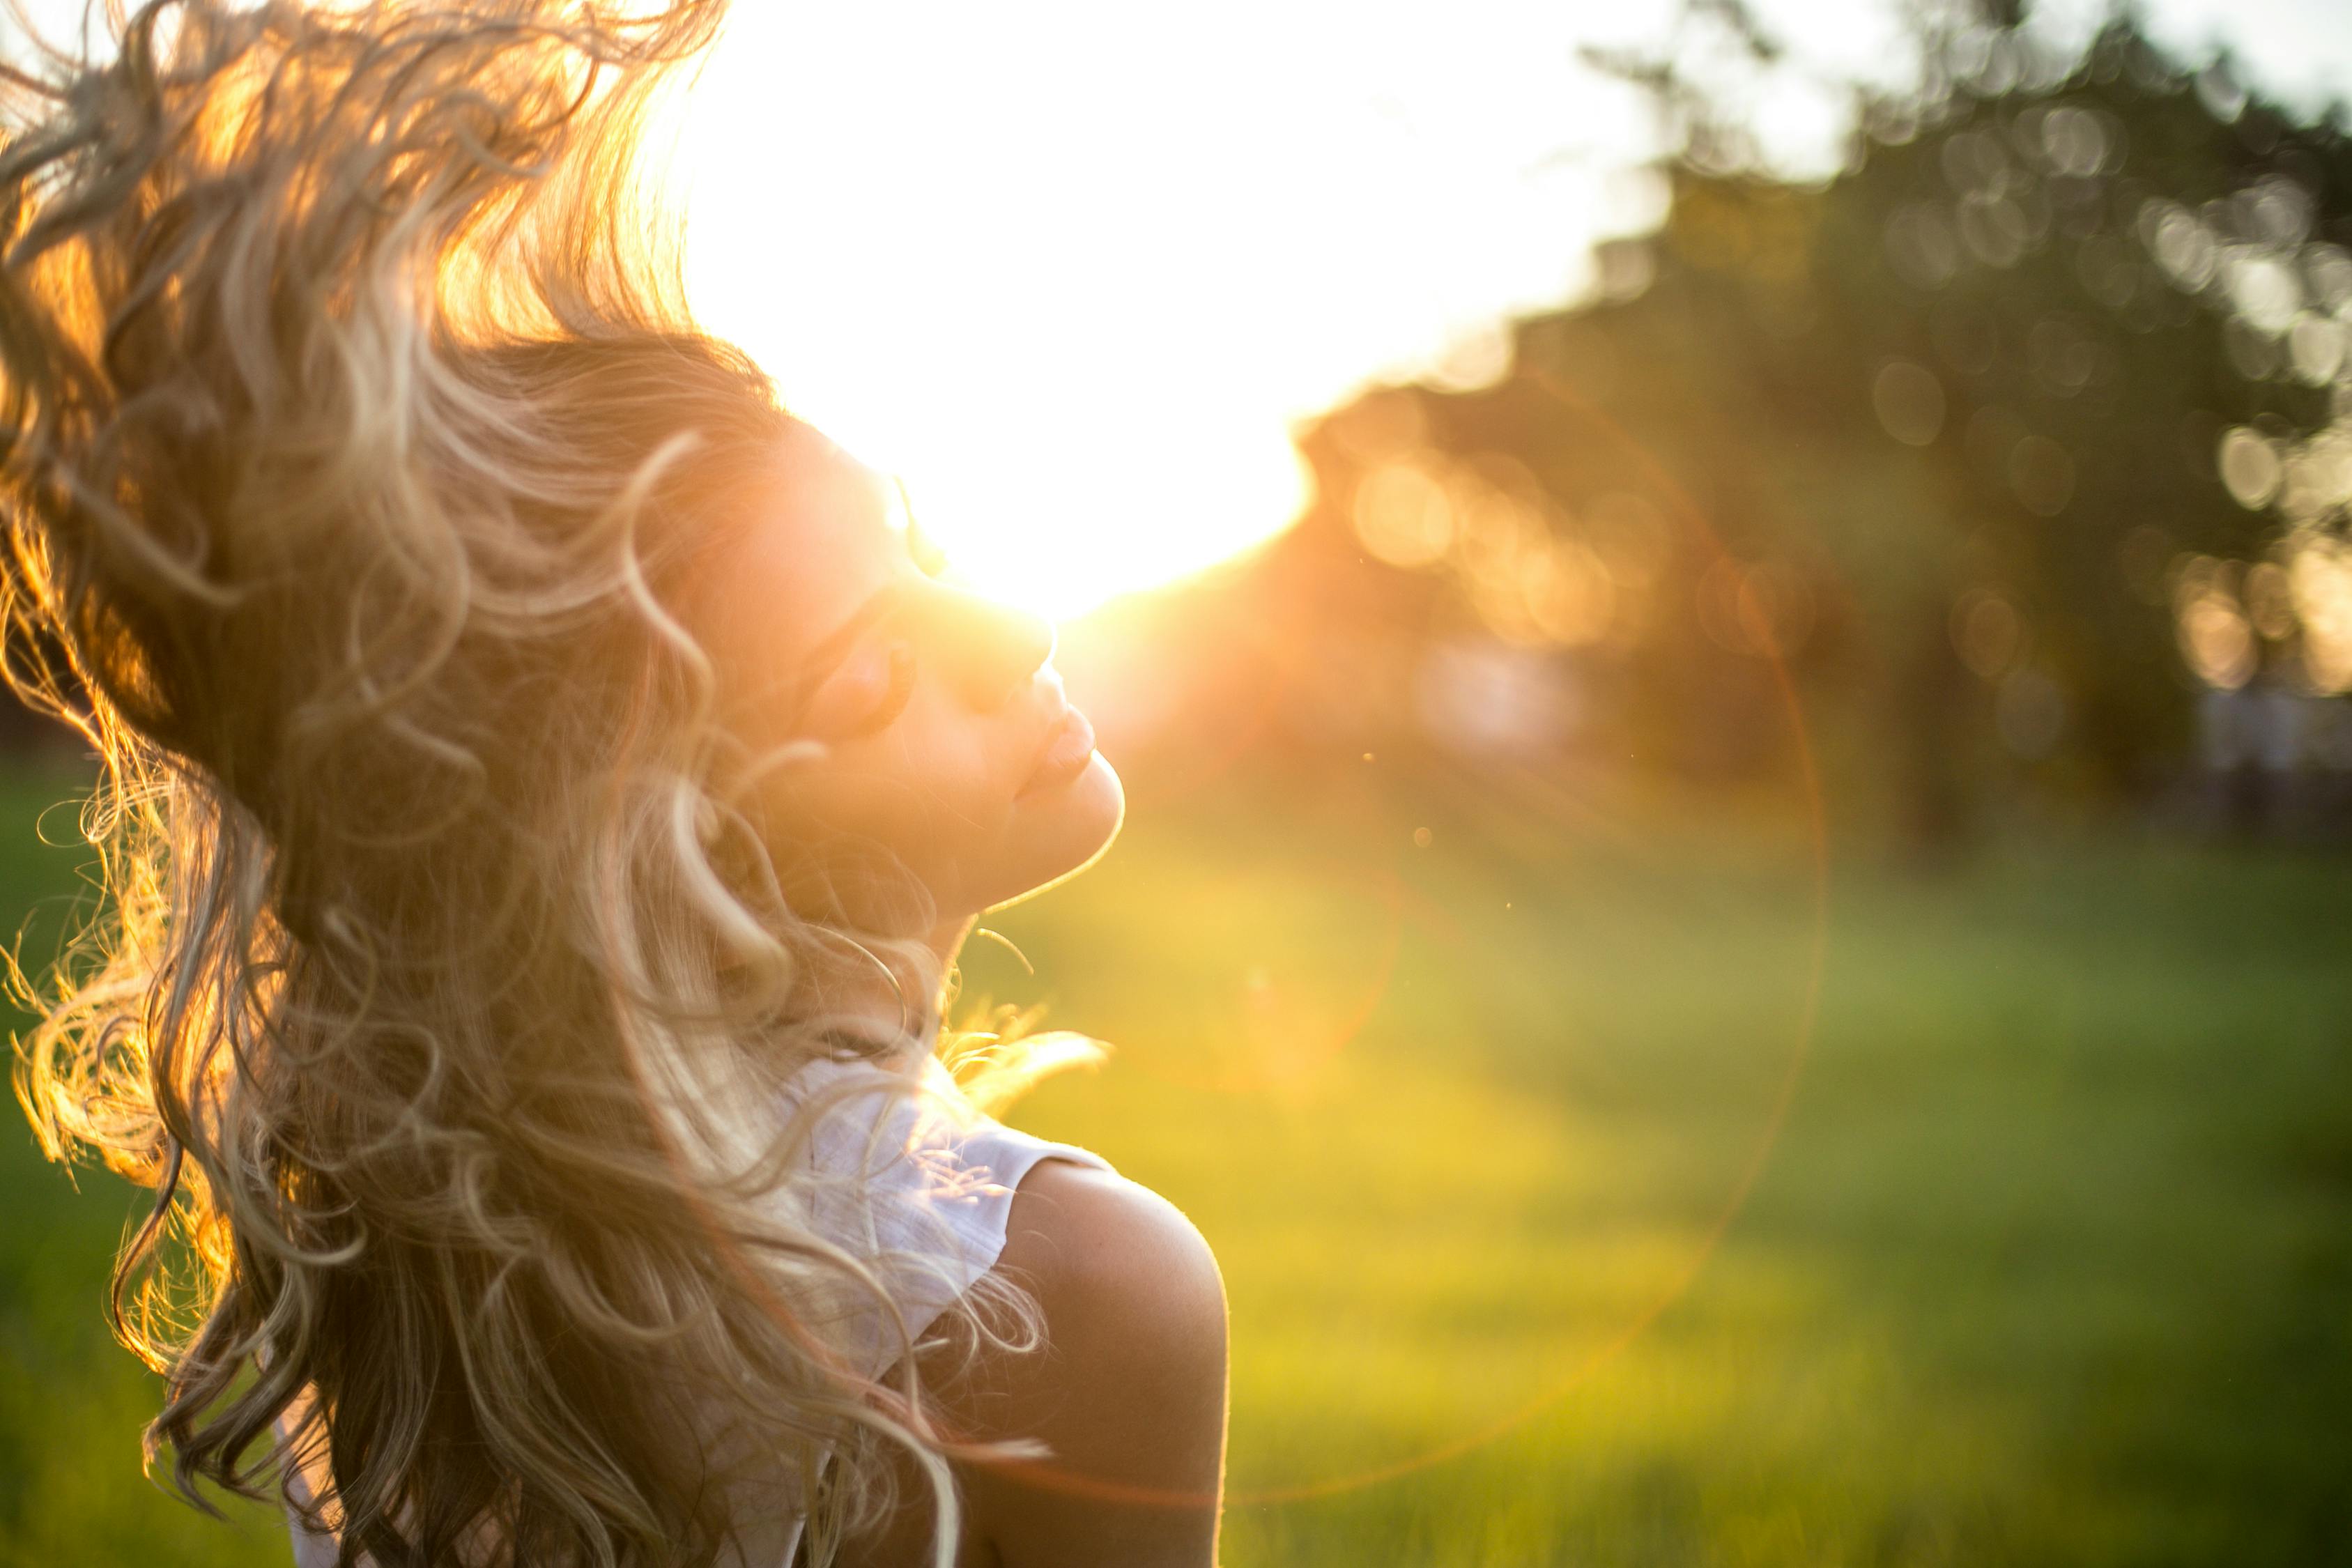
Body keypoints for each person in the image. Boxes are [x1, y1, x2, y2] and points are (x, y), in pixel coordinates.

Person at [0, 3, 1227, 1565]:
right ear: (660, 851)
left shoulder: (416, 1263)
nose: (1014, 626)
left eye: (920, 541)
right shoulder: (1069, 1290)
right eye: (863, 676)